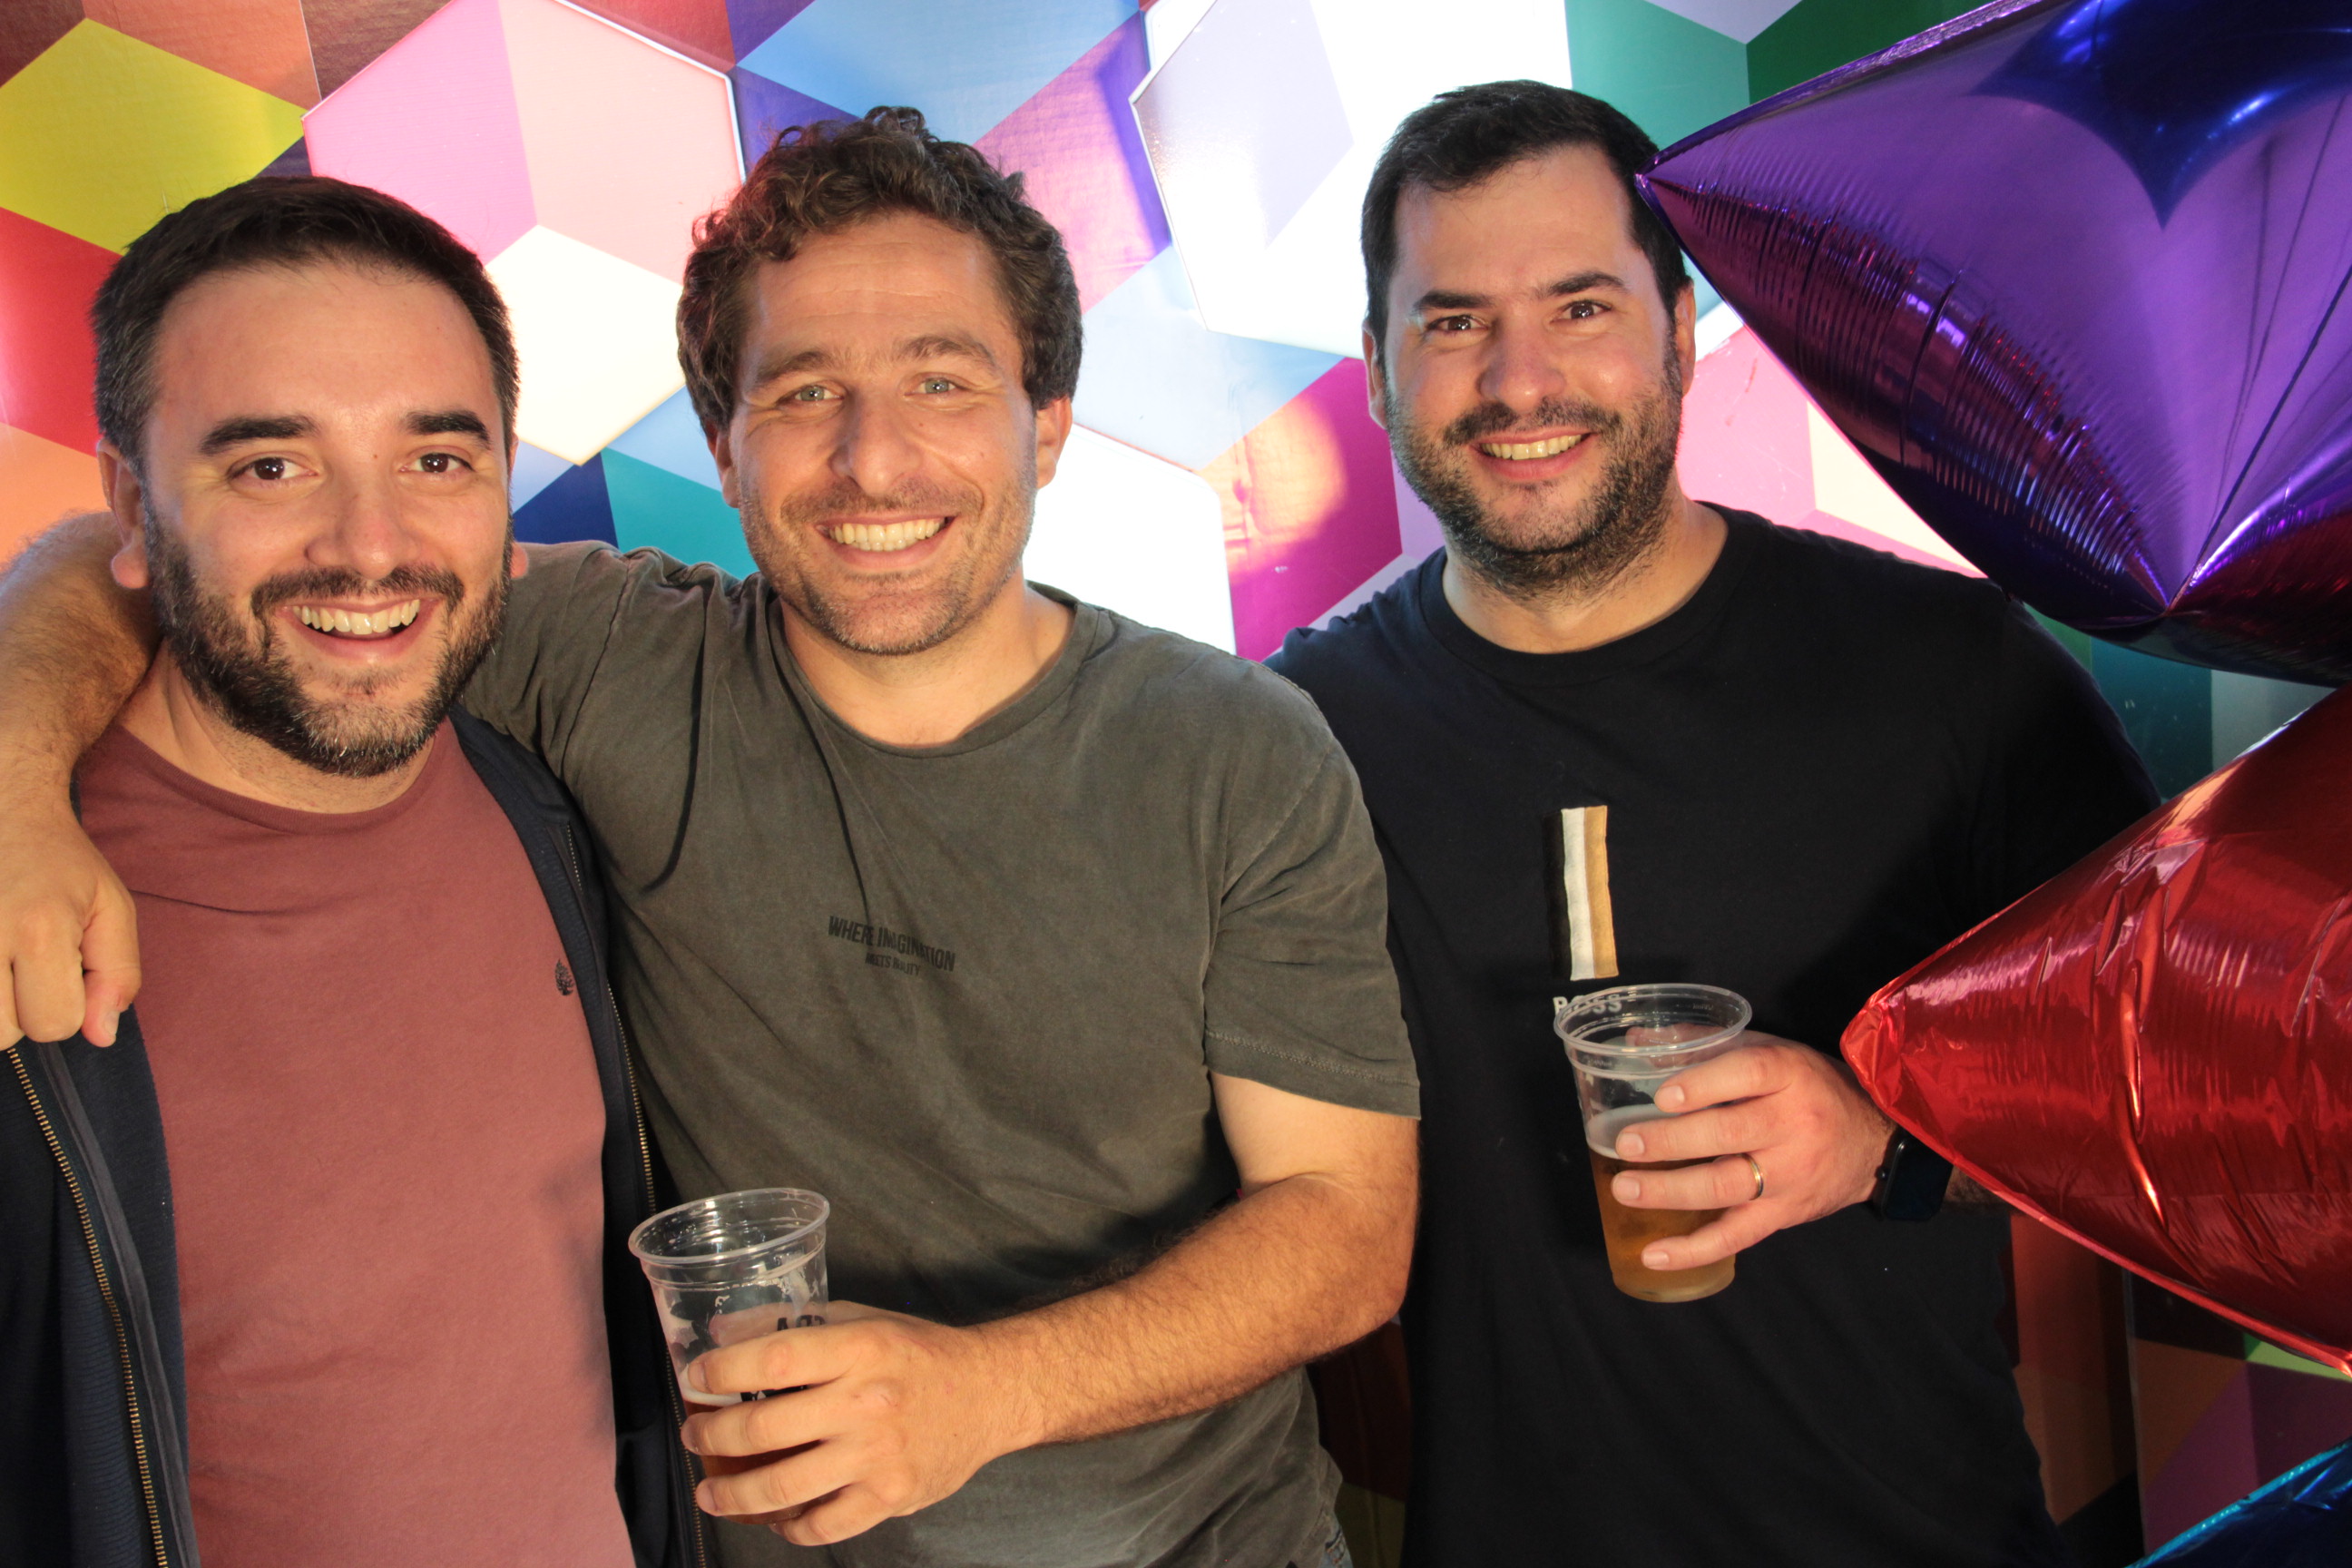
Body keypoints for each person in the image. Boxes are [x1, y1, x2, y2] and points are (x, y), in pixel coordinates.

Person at [0, 112, 1420, 1568]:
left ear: (1046, 427)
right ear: (725, 450)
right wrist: (13, 778)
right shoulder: (599, 658)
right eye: (804, 393)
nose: (874, 461)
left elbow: (1347, 1225)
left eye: (942, 380)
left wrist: (985, 1395)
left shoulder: (1237, 749)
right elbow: (176, 556)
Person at [1267, 82, 2159, 1565]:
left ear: (1681, 334)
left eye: (1582, 307)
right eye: (1453, 321)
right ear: (1375, 371)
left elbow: (2160, 1067)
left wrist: (1883, 1137)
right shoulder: (1296, 742)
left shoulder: (1949, 673)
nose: (1520, 381)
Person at [0, 179, 692, 1566]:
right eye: (272, 467)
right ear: (131, 504)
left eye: (436, 460)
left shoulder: (546, 812)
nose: (371, 547)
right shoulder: (27, 923)